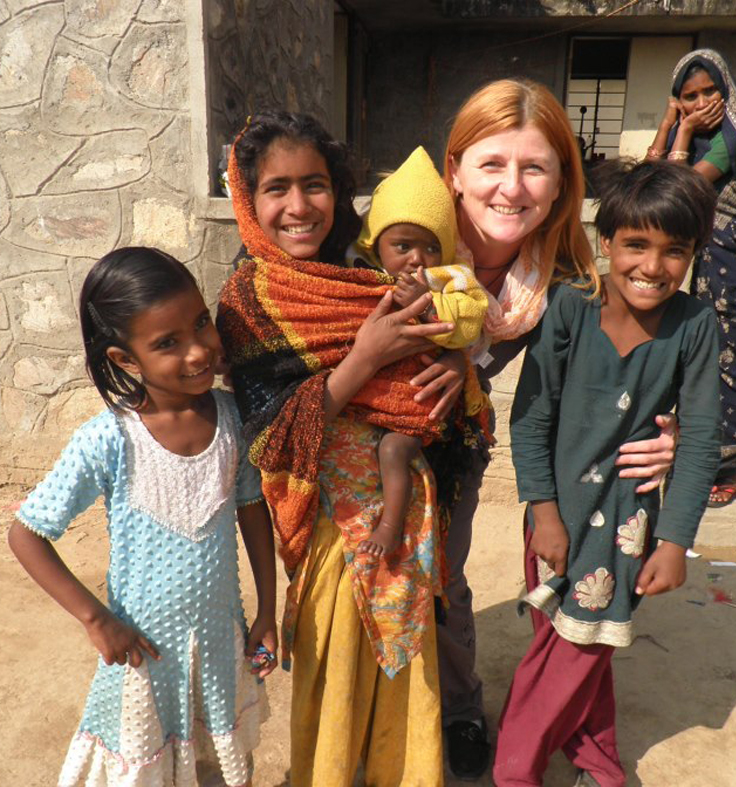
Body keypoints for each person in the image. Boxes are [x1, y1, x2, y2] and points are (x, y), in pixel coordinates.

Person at [216, 110, 480, 786]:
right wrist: (362, 358)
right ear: (248, 199)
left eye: (315, 184)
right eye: (276, 188)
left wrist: (456, 363)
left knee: (405, 676)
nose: (298, 206)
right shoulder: (247, 301)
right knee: (334, 680)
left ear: (339, 192)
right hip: (332, 522)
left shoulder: (369, 272)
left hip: (408, 516)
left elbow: (452, 357)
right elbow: (265, 438)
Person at [436, 78, 679, 779]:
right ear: (454, 171)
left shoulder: (561, 278)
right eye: (490, 164)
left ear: (560, 183)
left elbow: (622, 364)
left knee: (446, 579)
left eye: (534, 167)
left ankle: (458, 708)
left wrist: (663, 430)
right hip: (370, 443)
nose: (511, 188)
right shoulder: (406, 244)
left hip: (460, 441)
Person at [7, 248, 277, 786]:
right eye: (167, 343)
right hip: (142, 658)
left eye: (201, 322)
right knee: (144, 770)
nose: (199, 351)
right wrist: (96, 618)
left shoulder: (231, 418)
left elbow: (251, 508)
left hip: (220, 644)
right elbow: (26, 534)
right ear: (127, 360)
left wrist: (268, 609)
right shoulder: (108, 440)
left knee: (218, 764)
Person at [493, 160, 721, 787]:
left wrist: (674, 543)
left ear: (694, 253)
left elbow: (701, 438)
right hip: (554, 516)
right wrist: (542, 512)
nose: (653, 266)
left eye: (676, 250)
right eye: (637, 244)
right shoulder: (569, 307)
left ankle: (515, 770)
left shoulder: (695, 326)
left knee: (574, 653)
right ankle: (596, 760)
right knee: (565, 643)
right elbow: (531, 418)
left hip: (627, 524)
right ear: (606, 242)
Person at [349, 145, 489, 557]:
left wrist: (429, 304)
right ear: (376, 246)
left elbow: (467, 322)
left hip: (418, 402)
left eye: (430, 247)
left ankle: (390, 527)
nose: (417, 259)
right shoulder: (361, 276)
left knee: (394, 450)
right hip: (369, 400)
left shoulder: (452, 278)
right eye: (403, 246)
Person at [647, 48, 736, 507]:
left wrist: (682, 130)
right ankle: (698, 450)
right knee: (699, 363)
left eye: (709, 92)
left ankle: (730, 464)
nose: (701, 103)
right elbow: (648, 185)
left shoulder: (728, 139)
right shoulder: (695, 132)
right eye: (689, 96)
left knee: (731, 365)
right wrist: (667, 124)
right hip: (704, 268)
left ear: (725, 91)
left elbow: (675, 192)